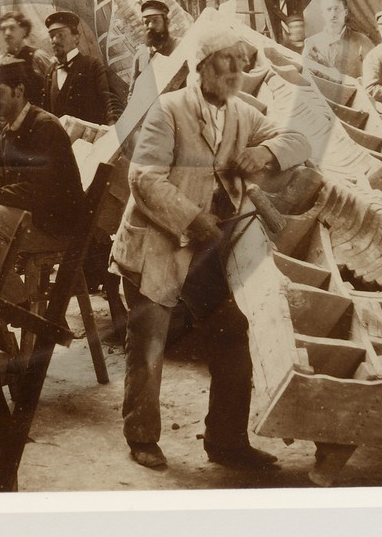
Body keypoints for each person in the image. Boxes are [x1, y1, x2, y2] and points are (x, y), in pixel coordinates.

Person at [111, 29, 312, 472]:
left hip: (206, 251)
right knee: (149, 344)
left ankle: (226, 442)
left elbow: (301, 138)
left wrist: (266, 151)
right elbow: (143, 179)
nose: (236, 71)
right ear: (201, 67)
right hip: (158, 246)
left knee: (231, 336)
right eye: (225, 62)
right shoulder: (169, 110)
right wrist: (191, 218)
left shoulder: (243, 113)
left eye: (241, 62)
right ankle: (142, 436)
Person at [0, 56, 88, 302]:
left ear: (19, 90)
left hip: (57, 226)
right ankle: (13, 302)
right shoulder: (8, 132)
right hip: (36, 219)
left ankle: (16, 305)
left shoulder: (44, 127)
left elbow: (37, 191)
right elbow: (5, 186)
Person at [44, 10, 122, 125]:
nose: (54, 40)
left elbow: (111, 102)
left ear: (76, 38)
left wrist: (113, 130)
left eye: (60, 35)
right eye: (51, 36)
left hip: (95, 139)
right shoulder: (50, 73)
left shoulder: (93, 65)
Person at [303, 0, 374, 78]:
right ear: (322, 13)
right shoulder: (312, 43)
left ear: (345, 12)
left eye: (337, 9)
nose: (333, 14)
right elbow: (307, 74)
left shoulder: (362, 41)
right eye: (329, 9)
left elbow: (375, 72)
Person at [129, 0, 186, 92]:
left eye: (155, 21)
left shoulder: (179, 46)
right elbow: (133, 91)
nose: (150, 26)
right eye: (146, 22)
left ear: (166, 22)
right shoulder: (141, 54)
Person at [0, 10, 53, 97]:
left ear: (24, 30)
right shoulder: (1, 61)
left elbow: (57, 86)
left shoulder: (37, 56)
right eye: (3, 29)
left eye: (12, 28)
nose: (7, 33)